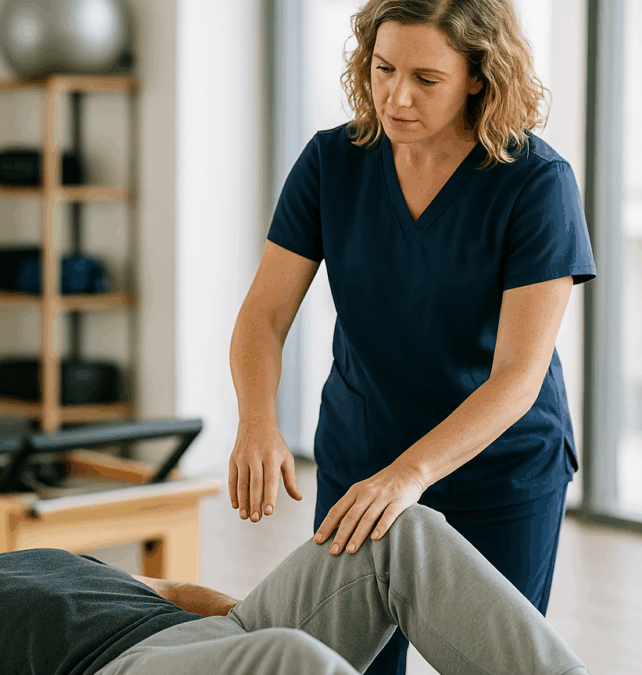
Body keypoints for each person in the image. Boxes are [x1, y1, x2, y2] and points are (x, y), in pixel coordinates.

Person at [227, 1, 598, 674]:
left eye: (426, 79)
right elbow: (264, 314)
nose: (396, 96)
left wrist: (411, 474)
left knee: (499, 662)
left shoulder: (537, 184)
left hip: (499, 467)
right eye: (383, 68)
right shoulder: (330, 163)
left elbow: (517, 376)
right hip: (364, 452)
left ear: (478, 76)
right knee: (349, 663)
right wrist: (257, 420)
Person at [0, 454, 587, 675]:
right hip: (117, 669)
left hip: (211, 637)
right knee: (290, 658)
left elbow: (175, 589)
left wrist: (242, 624)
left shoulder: (29, 556)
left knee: (396, 528)